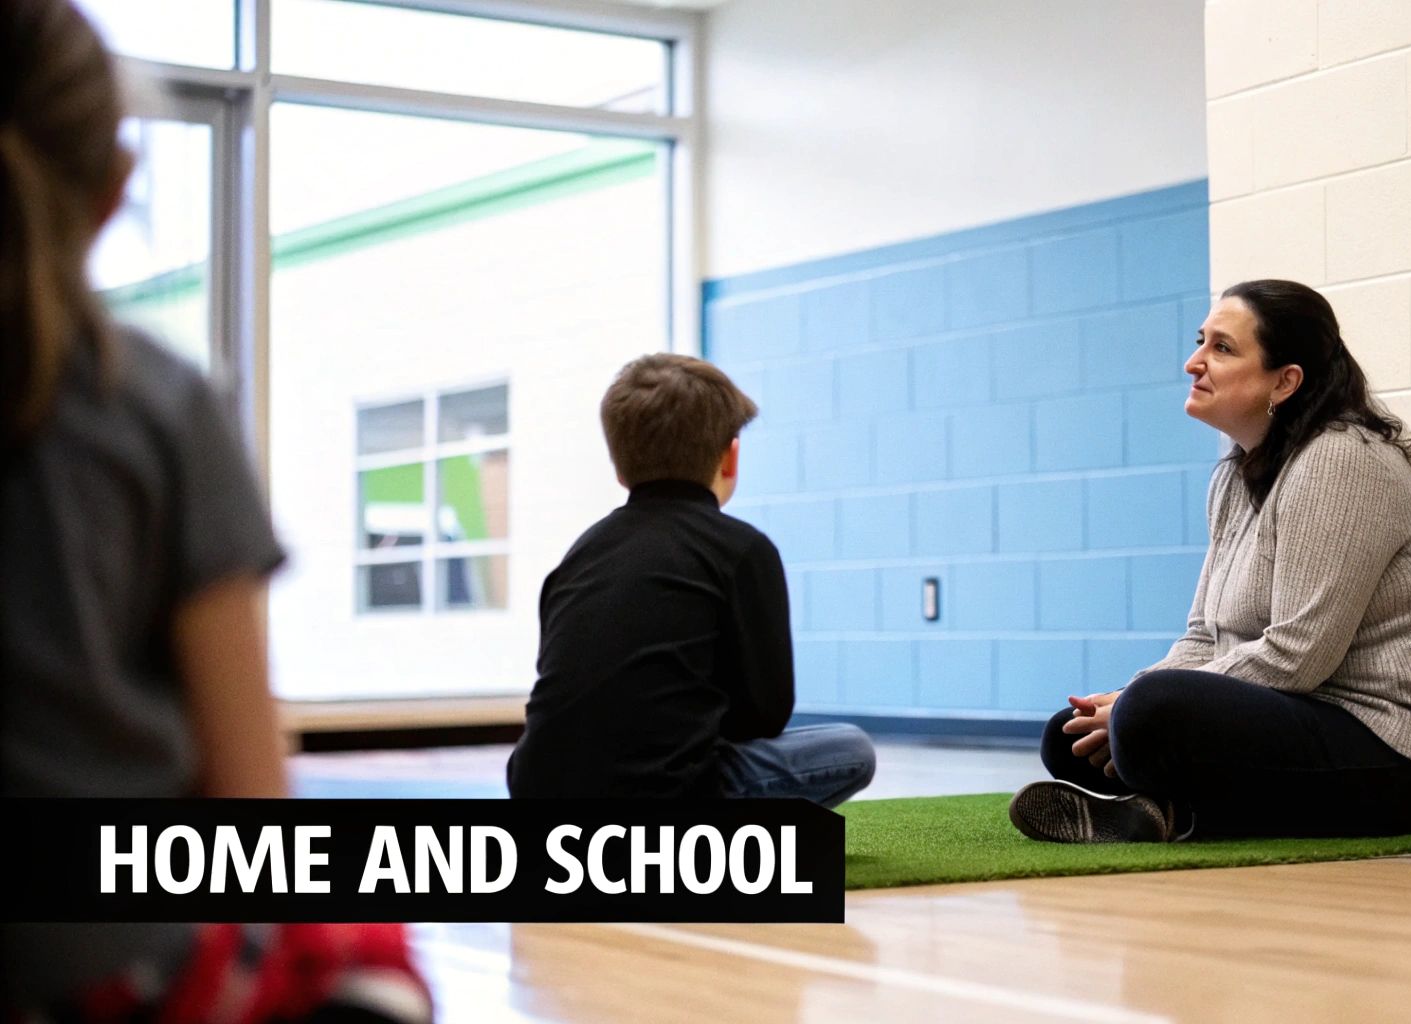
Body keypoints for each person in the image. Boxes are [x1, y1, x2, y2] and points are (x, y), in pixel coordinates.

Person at [0, 2, 429, 1018]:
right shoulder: (148, 397)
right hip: (103, 965)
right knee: (370, 940)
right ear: (113, 187)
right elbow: (248, 799)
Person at [1008, 279, 1411, 843]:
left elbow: (1298, 658)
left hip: (1407, 758)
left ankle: (1175, 812)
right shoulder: (1239, 475)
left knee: (1148, 715)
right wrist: (1121, 699)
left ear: (1285, 381)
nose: (1194, 363)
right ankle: (1165, 811)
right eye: (1200, 342)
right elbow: (1203, 637)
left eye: (1222, 348)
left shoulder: (1341, 460)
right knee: (1069, 735)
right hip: (1302, 725)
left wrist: (1135, 706)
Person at [508, 353, 876, 806]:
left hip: (538, 793)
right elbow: (766, 715)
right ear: (730, 458)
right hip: (671, 798)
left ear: (620, 468)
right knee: (851, 749)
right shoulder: (741, 549)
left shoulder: (579, 555)